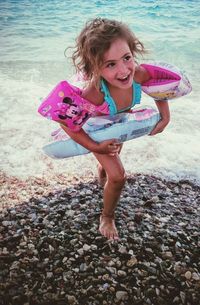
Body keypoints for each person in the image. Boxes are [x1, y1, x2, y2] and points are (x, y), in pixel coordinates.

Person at [61, 18, 170, 240]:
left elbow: (158, 88)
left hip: (119, 123)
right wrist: (95, 146)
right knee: (119, 176)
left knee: (112, 159)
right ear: (95, 68)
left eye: (126, 58)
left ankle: (102, 174)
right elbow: (66, 122)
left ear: (133, 52)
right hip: (95, 128)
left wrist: (165, 116)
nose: (123, 70)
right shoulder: (94, 92)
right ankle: (107, 216)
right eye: (110, 64)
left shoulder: (138, 73)